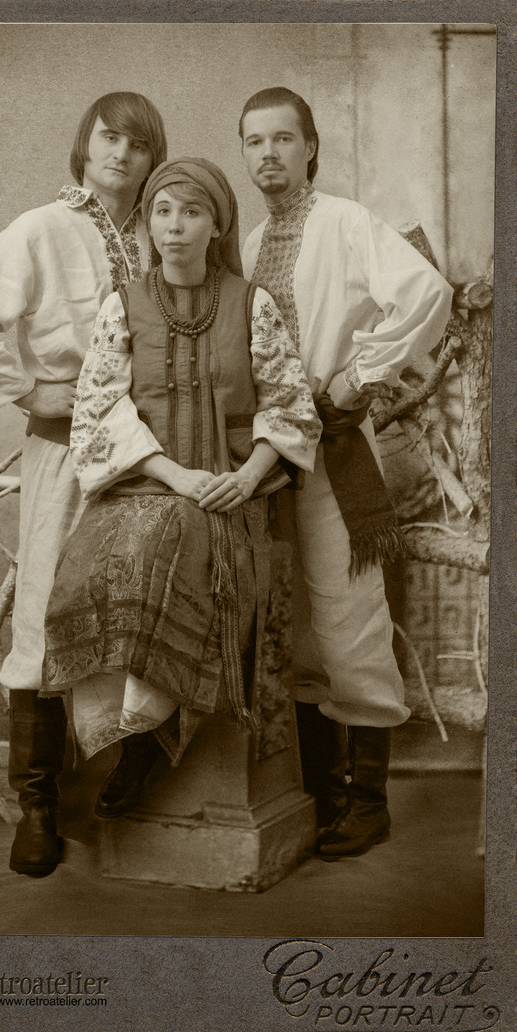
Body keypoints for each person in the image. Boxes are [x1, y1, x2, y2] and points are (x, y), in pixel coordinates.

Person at [41, 157, 322, 828]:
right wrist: (174, 475)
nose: (174, 226)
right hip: (144, 480)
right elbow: (99, 408)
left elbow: (288, 402)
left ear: (216, 224)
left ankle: (148, 737)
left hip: (232, 486)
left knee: (173, 542)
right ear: (149, 223)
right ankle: (130, 736)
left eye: (191, 212)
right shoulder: (124, 304)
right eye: (163, 211)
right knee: (90, 570)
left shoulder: (251, 303)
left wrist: (246, 477)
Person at [0, 92, 167, 877]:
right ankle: (36, 806)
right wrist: (28, 390)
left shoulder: (163, 231)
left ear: (152, 157)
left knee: (143, 609)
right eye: (109, 137)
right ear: (84, 144)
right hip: (66, 453)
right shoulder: (41, 228)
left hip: (149, 460)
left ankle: (138, 764)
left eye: (138, 143)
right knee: (41, 615)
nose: (121, 154)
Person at [239, 87, 453, 859]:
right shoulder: (249, 243)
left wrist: (358, 375)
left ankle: (367, 802)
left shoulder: (345, 221)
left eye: (282, 138)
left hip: (333, 448)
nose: (268, 153)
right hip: (270, 458)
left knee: (348, 617)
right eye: (254, 141)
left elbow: (426, 294)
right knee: (290, 620)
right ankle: (321, 793)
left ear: (309, 148)